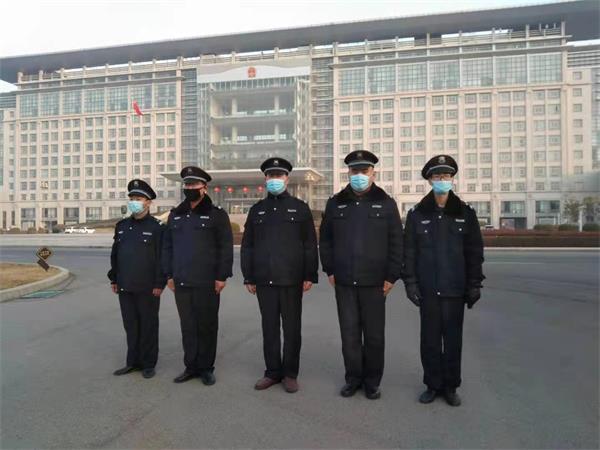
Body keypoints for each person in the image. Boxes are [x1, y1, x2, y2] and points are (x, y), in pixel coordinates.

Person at [319, 150, 403, 400]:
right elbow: (326, 240)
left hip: (376, 283)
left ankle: (372, 382)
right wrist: (330, 270)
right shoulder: (336, 203)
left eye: (364, 171)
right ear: (348, 172)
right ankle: (353, 379)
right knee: (350, 335)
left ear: (373, 173)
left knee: (374, 336)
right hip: (344, 281)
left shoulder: (386, 203)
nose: (359, 175)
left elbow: (396, 242)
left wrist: (391, 276)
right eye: (355, 171)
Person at [403, 154, 485, 407]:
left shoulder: (465, 213)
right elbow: (409, 252)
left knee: (452, 341)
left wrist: (474, 284)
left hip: (454, 290)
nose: (442, 180)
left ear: (452, 179)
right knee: (429, 341)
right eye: (437, 176)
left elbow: (474, 252)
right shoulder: (417, 214)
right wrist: (410, 283)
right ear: (429, 180)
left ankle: (450, 386)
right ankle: (432, 384)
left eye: (446, 176)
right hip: (428, 290)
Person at [241, 157, 318, 393]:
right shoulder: (257, 210)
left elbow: (309, 244)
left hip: (291, 279)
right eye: (271, 175)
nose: (275, 179)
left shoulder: (300, 208)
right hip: (264, 279)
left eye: (279, 175)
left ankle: (290, 374)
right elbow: (248, 245)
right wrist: (248, 276)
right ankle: (272, 372)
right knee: (270, 328)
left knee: (292, 329)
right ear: (266, 179)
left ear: (287, 178)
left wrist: (309, 275)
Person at [162, 166, 233, 385]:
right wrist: (169, 275)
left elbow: (225, 248)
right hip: (181, 280)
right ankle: (190, 366)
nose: (190, 188)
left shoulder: (217, 214)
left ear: (204, 187)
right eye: (187, 184)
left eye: (194, 184)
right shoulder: (176, 215)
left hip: (207, 281)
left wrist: (221, 276)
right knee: (188, 326)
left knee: (207, 325)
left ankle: (206, 368)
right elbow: (167, 247)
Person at [108, 179, 165, 379]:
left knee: (148, 325)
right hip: (125, 285)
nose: (134, 202)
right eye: (132, 198)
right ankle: (132, 362)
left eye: (139, 198)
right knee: (131, 326)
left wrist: (159, 283)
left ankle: (148, 364)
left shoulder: (157, 227)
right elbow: (116, 254)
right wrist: (114, 279)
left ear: (148, 202)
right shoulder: (122, 226)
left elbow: (162, 257)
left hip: (148, 287)